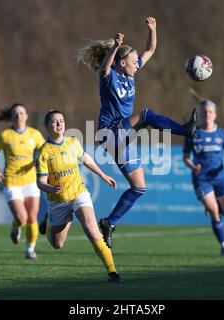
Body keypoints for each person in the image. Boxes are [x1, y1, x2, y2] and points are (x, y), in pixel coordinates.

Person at [76, 17, 199, 248]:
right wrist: (114, 47)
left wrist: (153, 30)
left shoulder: (130, 74)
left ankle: (109, 223)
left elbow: (150, 49)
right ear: (122, 62)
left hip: (121, 134)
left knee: (139, 187)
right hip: (109, 131)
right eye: (133, 61)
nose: (137, 65)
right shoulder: (110, 76)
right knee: (145, 115)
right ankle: (184, 131)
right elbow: (104, 68)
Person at [37, 110, 121, 282]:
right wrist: (50, 189)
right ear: (47, 127)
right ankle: (48, 219)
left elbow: (86, 159)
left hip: (78, 193)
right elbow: (40, 182)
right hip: (57, 201)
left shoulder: (73, 142)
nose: (59, 124)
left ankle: (112, 271)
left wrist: (103, 175)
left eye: (61, 120)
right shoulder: (43, 152)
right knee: (57, 244)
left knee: (92, 230)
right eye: (54, 122)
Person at [0, 103, 45, 259]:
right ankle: (15, 226)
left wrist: (40, 162)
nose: (19, 115)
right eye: (16, 113)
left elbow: (44, 151)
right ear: (12, 117)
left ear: (26, 116)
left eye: (22, 113)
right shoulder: (5, 136)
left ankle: (30, 249)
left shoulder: (34, 134)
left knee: (32, 218)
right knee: (22, 218)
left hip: (31, 181)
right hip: (12, 182)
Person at [183, 98, 224, 257]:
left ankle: (215, 205)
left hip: (220, 177)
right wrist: (193, 166)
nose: (208, 114)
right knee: (214, 211)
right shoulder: (194, 133)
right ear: (201, 114)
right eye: (205, 112)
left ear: (215, 114)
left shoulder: (222, 134)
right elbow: (186, 157)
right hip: (201, 179)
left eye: (211, 112)